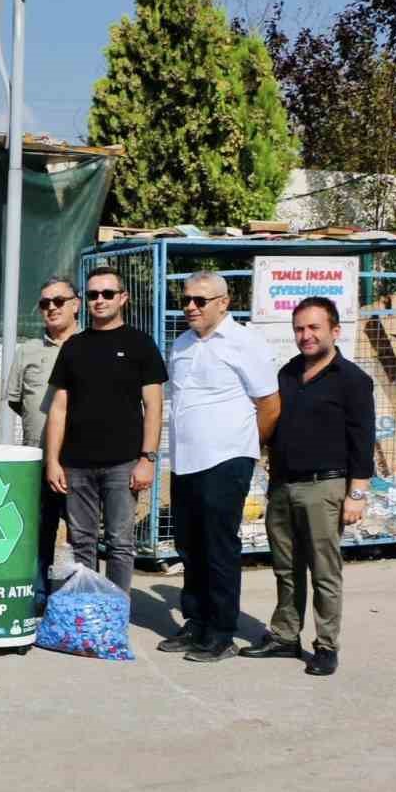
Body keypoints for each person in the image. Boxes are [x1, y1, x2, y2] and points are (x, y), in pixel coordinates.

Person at [240, 296, 373, 677]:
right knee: (286, 568)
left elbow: (362, 440)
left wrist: (357, 495)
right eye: (299, 328)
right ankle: (285, 636)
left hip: (325, 488)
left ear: (335, 331)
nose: (306, 335)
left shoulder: (352, 380)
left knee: (324, 572)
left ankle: (326, 646)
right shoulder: (287, 373)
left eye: (314, 328)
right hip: (282, 486)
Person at [159, 271, 281, 661]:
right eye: (186, 300)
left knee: (218, 546)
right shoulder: (180, 345)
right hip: (186, 462)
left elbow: (270, 405)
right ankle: (195, 620)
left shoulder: (246, 343)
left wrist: (246, 446)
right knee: (189, 545)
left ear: (223, 303)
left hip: (226, 460)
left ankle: (221, 632)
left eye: (200, 300)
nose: (190, 307)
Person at [44, 269, 166, 598]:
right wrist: (53, 461)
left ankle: (114, 613)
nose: (100, 300)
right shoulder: (73, 347)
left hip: (123, 464)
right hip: (76, 465)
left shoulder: (140, 344)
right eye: (94, 294)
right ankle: (87, 613)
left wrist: (147, 459)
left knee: (119, 543)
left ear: (123, 298)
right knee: (81, 542)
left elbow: (154, 406)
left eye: (107, 294)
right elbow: (59, 408)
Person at [7, 277, 80, 604]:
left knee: (83, 535)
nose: (51, 308)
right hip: (38, 460)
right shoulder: (28, 351)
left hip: (82, 460)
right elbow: (16, 401)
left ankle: (78, 599)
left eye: (59, 301)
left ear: (76, 304)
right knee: (39, 531)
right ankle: (37, 597)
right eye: (44, 303)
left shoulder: (90, 347)